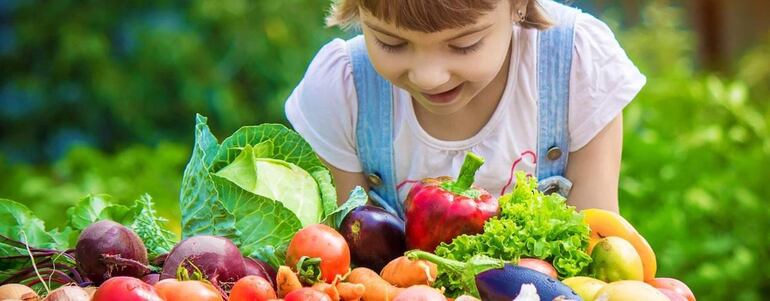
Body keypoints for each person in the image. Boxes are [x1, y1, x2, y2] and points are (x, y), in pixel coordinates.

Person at [285, 0, 645, 215]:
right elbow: (347, 263)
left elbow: (597, 247)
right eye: (391, 43)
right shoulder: (343, 90)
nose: (429, 77)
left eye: (464, 44)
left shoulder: (574, 64)